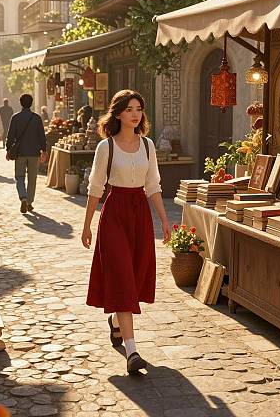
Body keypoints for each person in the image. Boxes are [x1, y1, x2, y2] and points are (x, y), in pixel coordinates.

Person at [82, 89, 171, 374]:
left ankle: (117, 323)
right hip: (115, 213)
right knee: (121, 275)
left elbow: (153, 185)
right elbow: (95, 188)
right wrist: (86, 226)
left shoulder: (148, 146)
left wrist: (164, 221)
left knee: (133, 276)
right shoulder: (105, 147)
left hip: (139, 215)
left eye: (139, 109)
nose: (136, 114)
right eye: (130, 109)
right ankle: (132, 351)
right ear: (118, 113)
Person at [6, 93, 47, 214]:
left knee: (19, 177)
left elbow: (10, 136)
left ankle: (23, 197)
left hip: (20, 153)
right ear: (31, 103)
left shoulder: (15, 118)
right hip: (34, 153)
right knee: (32, 178)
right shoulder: (37, 118)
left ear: (20, 103)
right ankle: (29, 202)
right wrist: (44, 151)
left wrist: (8, 150)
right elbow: (42, 136)